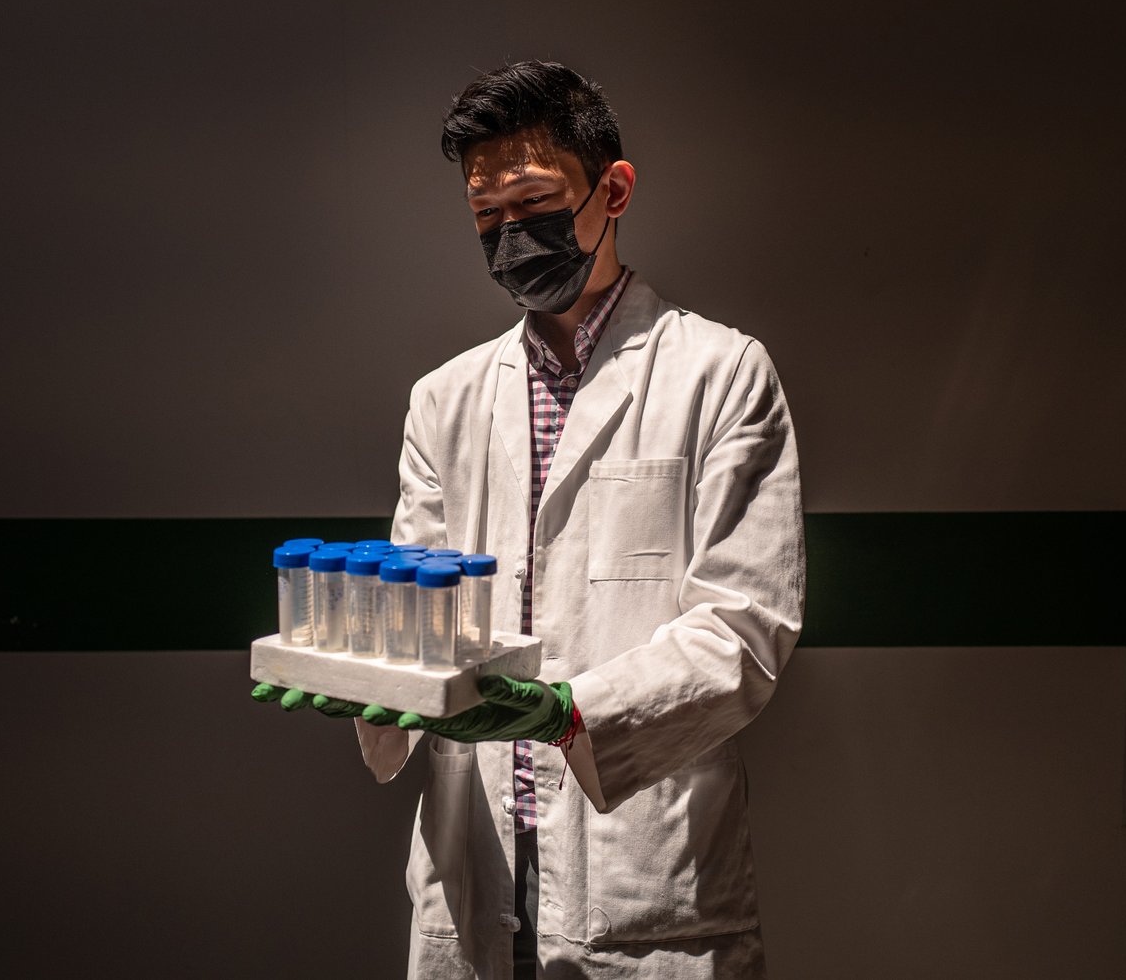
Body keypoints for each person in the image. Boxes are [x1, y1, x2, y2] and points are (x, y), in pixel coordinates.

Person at [262, 60, 804, 979]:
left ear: (614, 188)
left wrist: (568, 714)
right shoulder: (445, 399)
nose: (513, 235)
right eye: (487, 217)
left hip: (643, 872)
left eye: (535, 202)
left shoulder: (721, 375)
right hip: (475, 867)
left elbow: (743, 632)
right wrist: (373, 680)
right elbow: (419, 605)